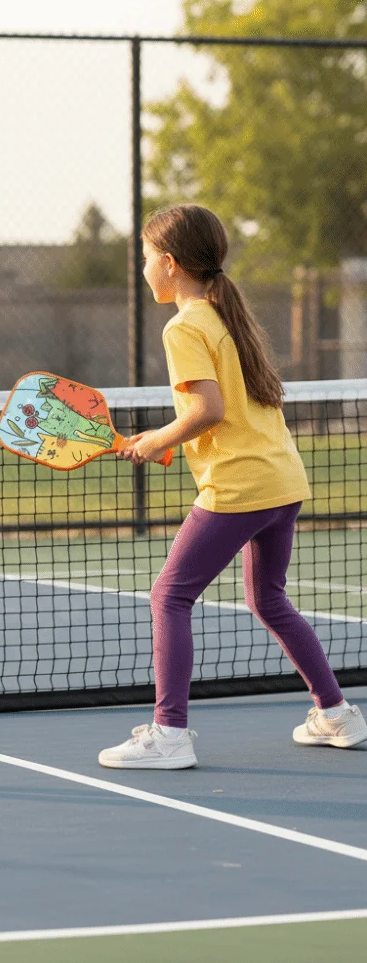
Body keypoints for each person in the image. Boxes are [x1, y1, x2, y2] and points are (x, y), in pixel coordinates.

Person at [98, 203, 367, 770]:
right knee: (268, 598)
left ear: (169, 264)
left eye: (145, 258)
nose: (142, 268)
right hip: (282, 479)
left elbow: (209, 409)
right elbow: (230, 412)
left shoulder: (185, 326)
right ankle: (337, 713)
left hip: (240, 487)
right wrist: (172, 439)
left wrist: (153, 439)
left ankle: (169, 735)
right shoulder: (226, 317)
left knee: (169, 596)